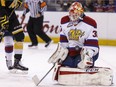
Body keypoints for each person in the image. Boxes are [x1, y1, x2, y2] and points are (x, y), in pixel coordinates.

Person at [47, 2, 113, 86]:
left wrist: (88, 55)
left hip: (86, 52)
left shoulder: (90, 23)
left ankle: (85, 63)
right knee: (66, 64)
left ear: (81, 13)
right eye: (72, 13)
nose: (73, 16)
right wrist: (60, 54)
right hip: (72, 52)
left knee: (79, 64)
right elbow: (64, 42)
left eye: (76, 14)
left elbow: (93, 45)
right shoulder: (64, 21)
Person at [0, 0, 28, 71]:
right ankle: (9, 61)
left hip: (11, 16)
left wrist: (17, 1)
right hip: (1, 15)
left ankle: (17, 62)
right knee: (7, 38)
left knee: (20, 36)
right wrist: (2, 16)